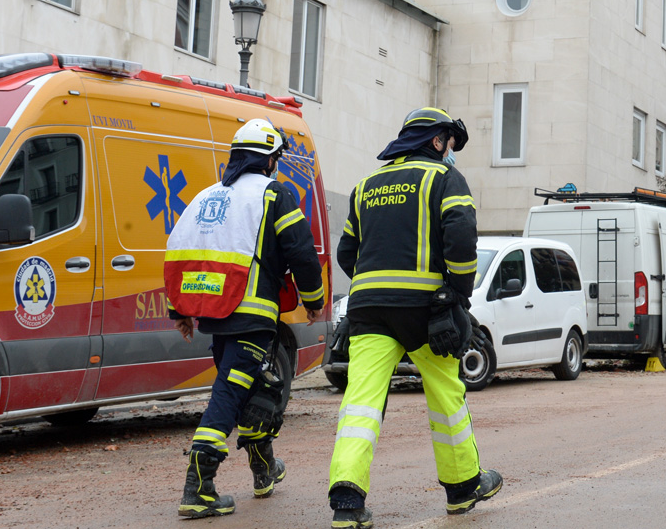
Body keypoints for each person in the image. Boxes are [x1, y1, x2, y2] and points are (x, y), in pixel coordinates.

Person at [328, 108, 502, 529]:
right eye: (450, 144)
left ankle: (347, 502)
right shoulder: (443, 178)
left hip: (368, 310)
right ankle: (463, 487)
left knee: (361, 401)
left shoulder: (365, 186)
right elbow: (461, 234)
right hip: (427, 312)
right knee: (445, 395)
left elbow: (346, 253)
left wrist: (375, 284)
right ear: (437, 141)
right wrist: (457, 294)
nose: (451, 152)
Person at [166, 119, 326, 519]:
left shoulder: (206, 196)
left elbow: (179, 250)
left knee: (257, 389)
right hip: (251, 316)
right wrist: (314, 300)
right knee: (230, 393)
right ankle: (198, 488)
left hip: (215, 314)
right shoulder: (273, 193)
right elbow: (301, 250)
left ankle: (264, 469)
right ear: (269, 160)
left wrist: (180, 310)